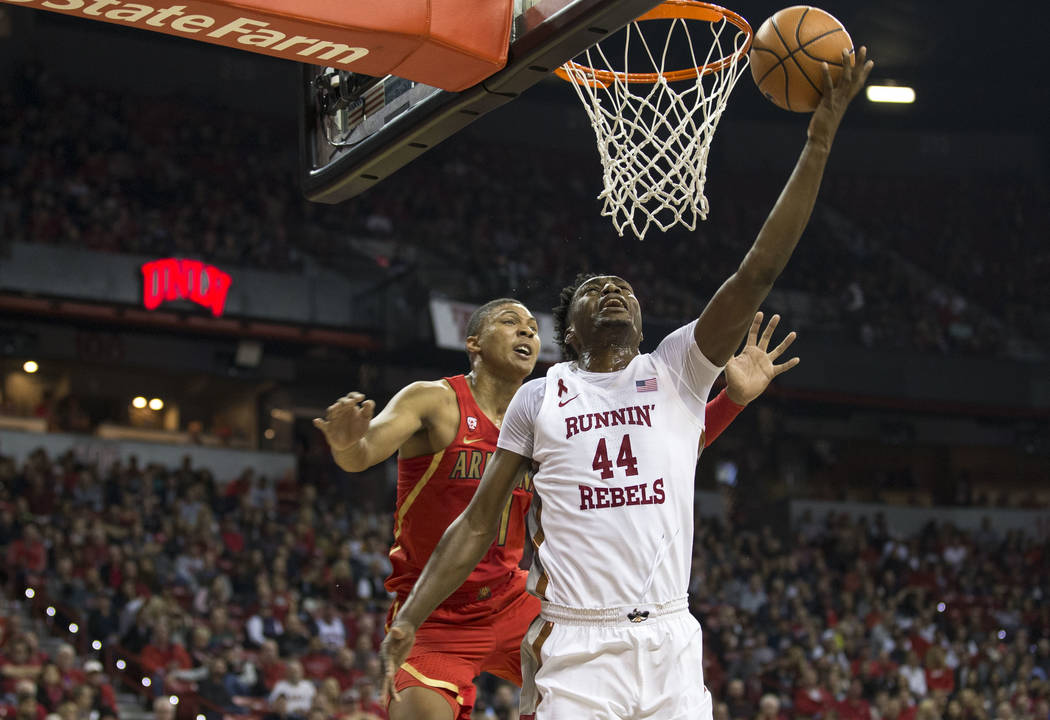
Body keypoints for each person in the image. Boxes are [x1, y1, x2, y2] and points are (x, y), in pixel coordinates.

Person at [379, 47, 873, 720]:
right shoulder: (540, 396)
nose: (613, 289)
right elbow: (475, 524)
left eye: (625, 290)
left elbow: (756, 271)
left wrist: (818, 139)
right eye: (593, 291)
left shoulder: (675, 368)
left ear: (642, 327)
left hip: (670, 635)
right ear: (571, 335)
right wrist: (411, 615)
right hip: (576, 642)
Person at [315, 296, 798, 720]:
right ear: (474, 343)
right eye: (509, 321)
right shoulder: (434, 400)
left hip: (510, 602)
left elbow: (661, 453)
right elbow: (362, 453)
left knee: (604, 669)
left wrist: (731, 400)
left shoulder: (550, 415)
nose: (526, 330)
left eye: (531, 325)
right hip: (435, 613)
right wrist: (346, 446)